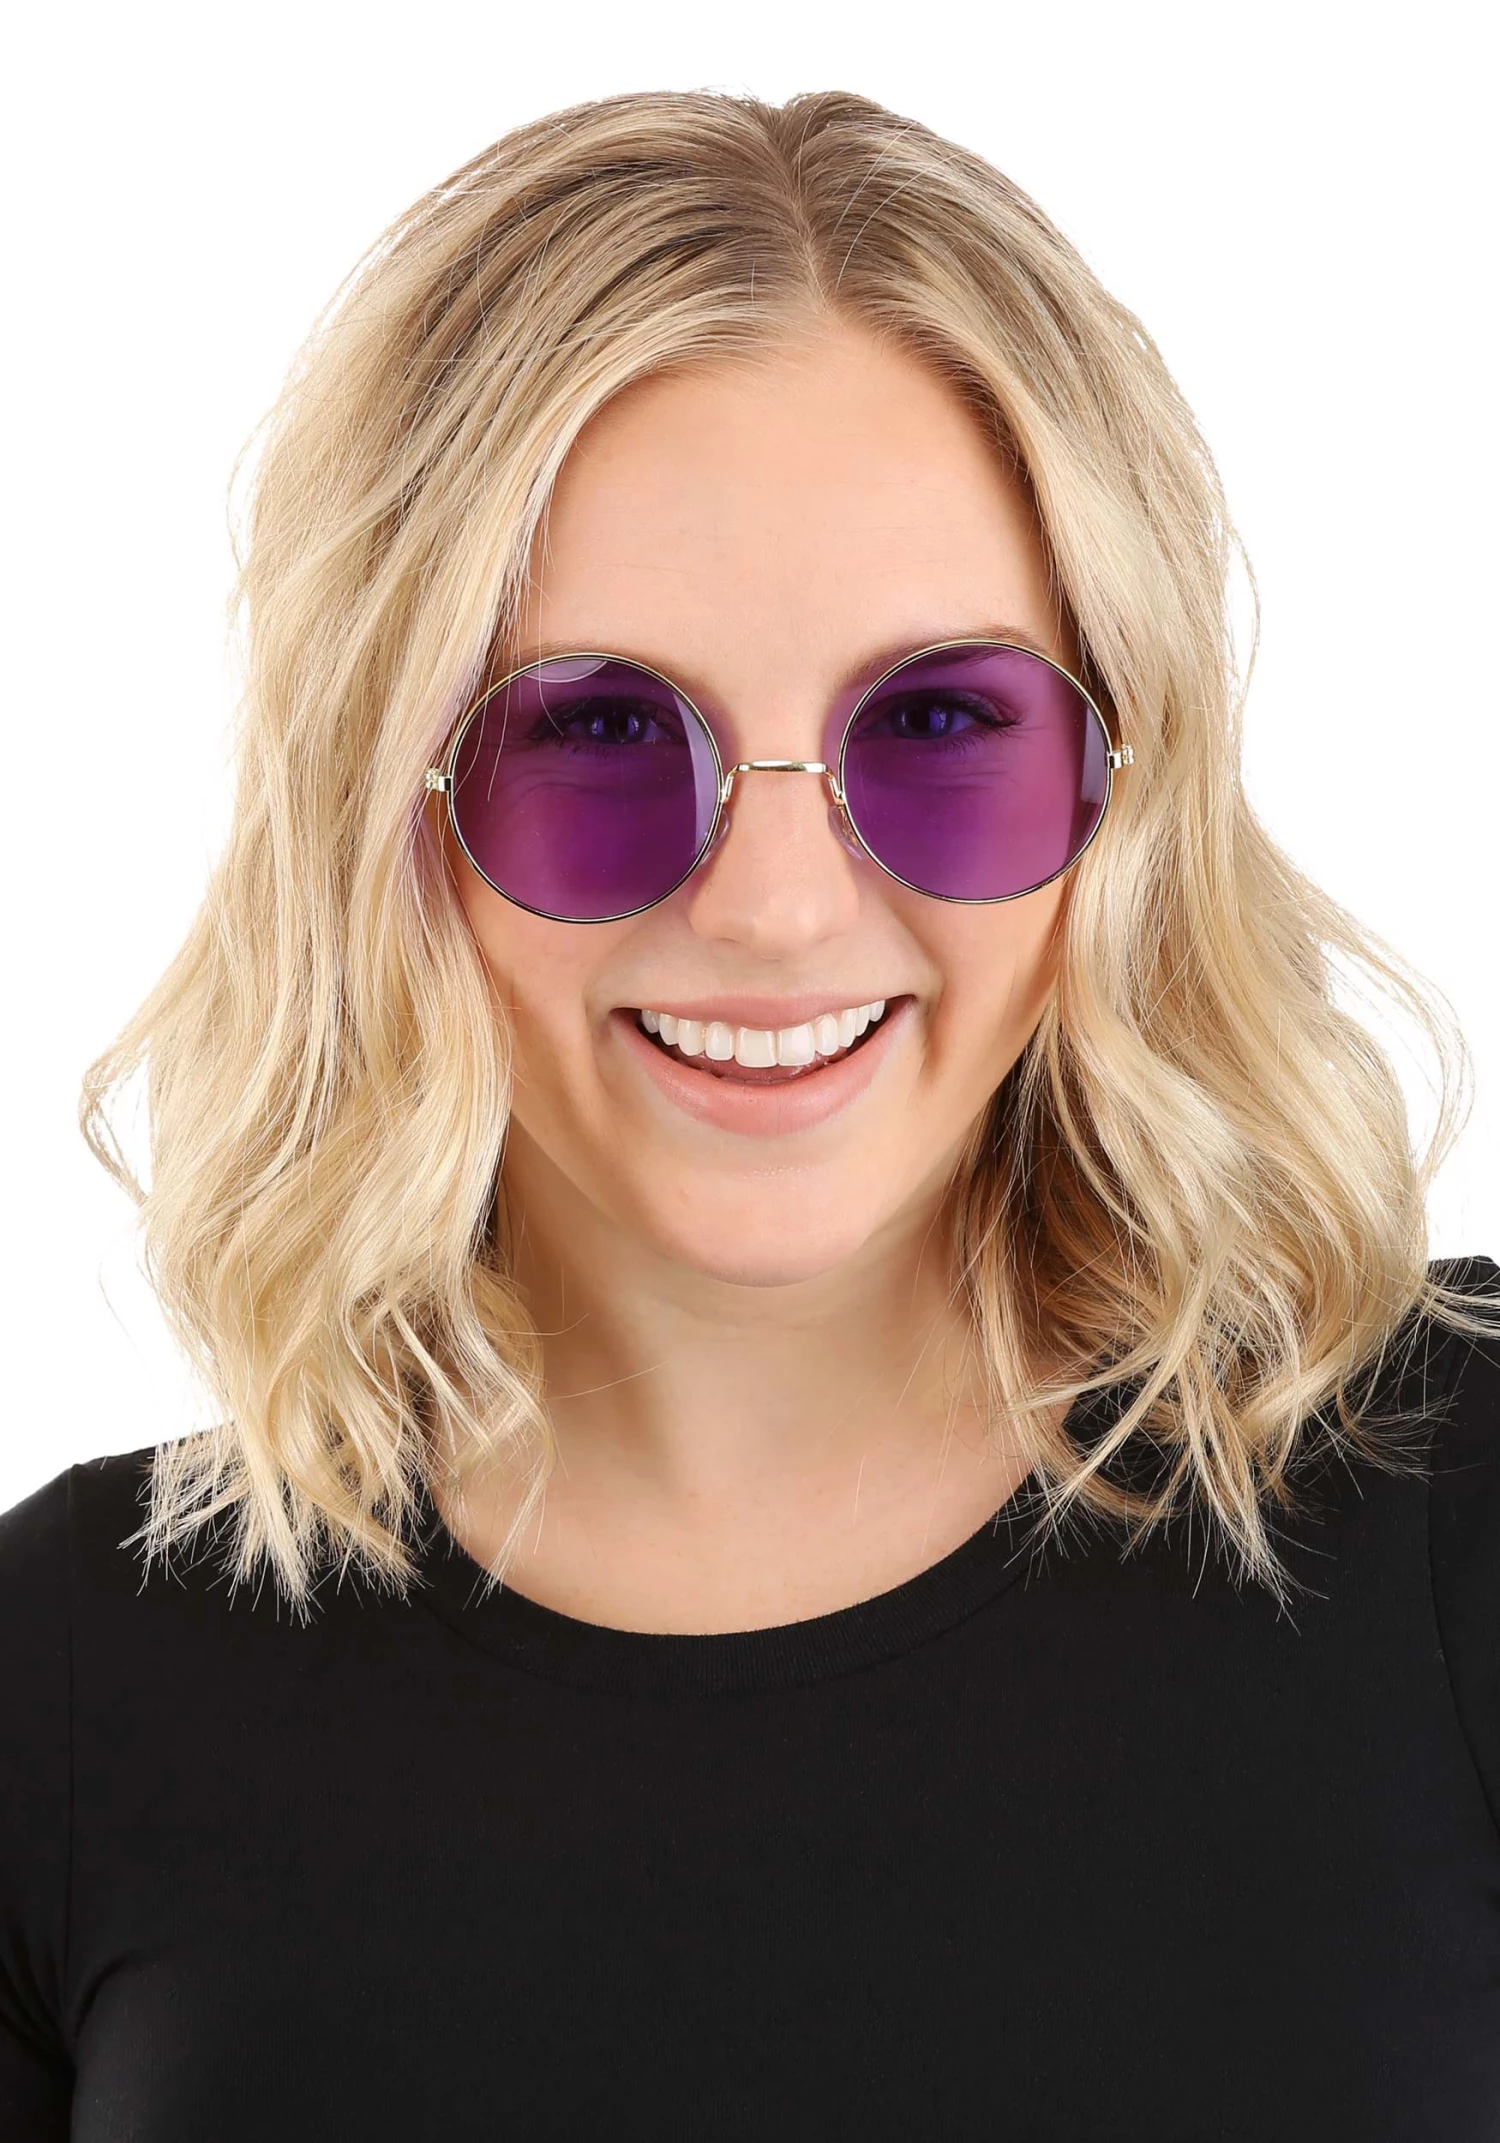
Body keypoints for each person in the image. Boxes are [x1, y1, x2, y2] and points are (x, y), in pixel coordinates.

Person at [1, 85, 1497, 2139]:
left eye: (941, 721)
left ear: (1118, 785)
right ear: (380, 804)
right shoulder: (68, 1687)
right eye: (600, 731)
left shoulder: (1459, 1520)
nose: (778, 908)